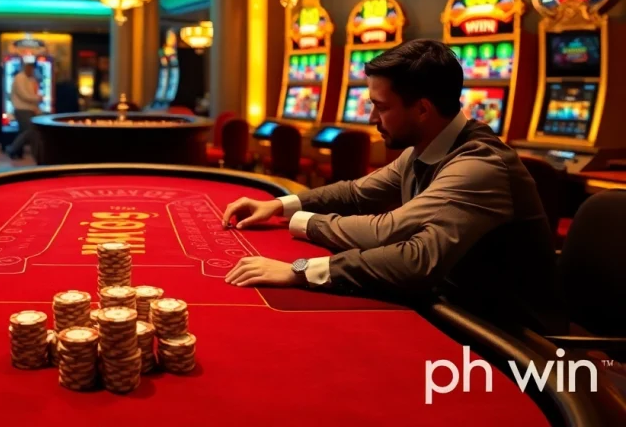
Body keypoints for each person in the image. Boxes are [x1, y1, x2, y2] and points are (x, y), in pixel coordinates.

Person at [221, 40, 566, 334]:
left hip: (513, 339)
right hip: (456, 308)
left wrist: (299, 269)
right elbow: (356, 193)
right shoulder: (427, 148)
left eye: (380, 107)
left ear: (422, 109)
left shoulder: (479, 165)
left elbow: (411, 256)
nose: (371, 119)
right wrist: (281, 206)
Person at [6, 60, 43, 159]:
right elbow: (24, 95)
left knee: (31, 132)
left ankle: (35, 154)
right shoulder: (20, 78)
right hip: (22, 109)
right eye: (31, 68)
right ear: (26, 67)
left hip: (29, 109)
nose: (32, 70)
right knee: (28, 131)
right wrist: (38, 98)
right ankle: (12, 149)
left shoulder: (29, 79)